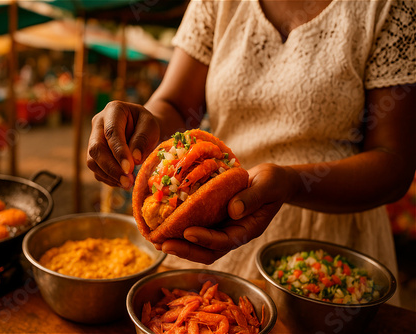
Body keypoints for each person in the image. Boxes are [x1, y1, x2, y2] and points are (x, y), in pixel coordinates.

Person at [86, 0, 415, 304]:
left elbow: (395, 161)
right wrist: (143, 124)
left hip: (329, 248)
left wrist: (293, 183)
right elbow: (176, 104)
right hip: (217, 217)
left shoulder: (387, 7)